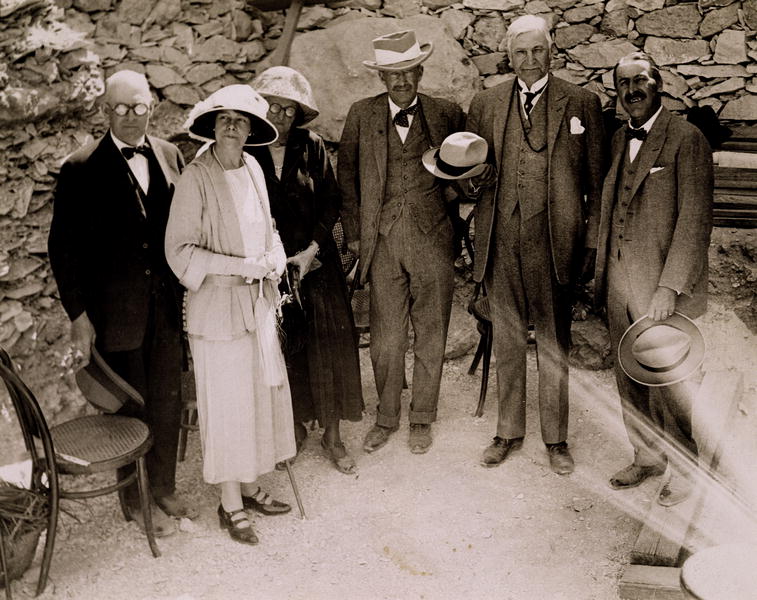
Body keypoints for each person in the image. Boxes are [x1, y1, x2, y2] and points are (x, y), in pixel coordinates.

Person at [48, 70, 193, 537]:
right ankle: (135, 499)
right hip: (116, 315)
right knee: (131, 407)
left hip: (167, 308)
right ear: (105, 111)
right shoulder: (80, 169)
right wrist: (79, 317)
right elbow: (63, 250)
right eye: (121, 108)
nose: (131, 117)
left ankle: (165, 486)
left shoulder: (171, 155)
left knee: (168, 400)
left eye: (140, 107)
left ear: (152, 107)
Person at [465, 15, 604, 474]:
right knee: (506, 337)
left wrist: (588, 242)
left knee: (552, 339)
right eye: (520, 52)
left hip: (554, 240)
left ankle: (557, 439)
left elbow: (596, 184)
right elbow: (469, 172)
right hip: (500, 236)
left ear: (551, 52)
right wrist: (474, 180)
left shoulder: (582, 102)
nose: (529, 60)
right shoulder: (486, 103)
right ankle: (507, 432)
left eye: (537, 51)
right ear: (509, 56)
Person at [164, 85, 296, 545]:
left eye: (242, 120)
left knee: (258, 398)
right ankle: (230, 503)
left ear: (253, 129)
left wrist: (276, 256)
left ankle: (253, 485)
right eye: (225, 119)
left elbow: (269, 227)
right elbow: (178, 251)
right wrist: (242, 267)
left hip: (256, 302)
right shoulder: (196, 176)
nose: (234, 127)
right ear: (213, 126)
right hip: (217, 310)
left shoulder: (255, 168)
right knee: (226, 406)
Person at [594, 52, 713, 506]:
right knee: (630, 376)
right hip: (619, 284)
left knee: (671, 383)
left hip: (663, 289)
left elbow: (695, 219)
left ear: (658, 84)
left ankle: (684, 470)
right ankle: (646, 457)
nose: (631, 91)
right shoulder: (618, 138)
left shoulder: (687, 139)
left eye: (639, 80)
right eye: (622, 84)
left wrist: (669, 287)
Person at [338, 30, 464, 455]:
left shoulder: (447, 113)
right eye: (392, 74)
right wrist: (355, 237)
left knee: (431, 331)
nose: (401, 81)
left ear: (420, 72)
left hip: (433, 239)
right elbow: (347, 180)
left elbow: (465, 171)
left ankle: (423, 418)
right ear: (382, 79)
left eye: (408, 71)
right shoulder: (361, 115)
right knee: (387, 337)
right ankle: (387, 416)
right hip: (383, 242)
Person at [250, 66, 363, 474]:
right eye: (272, 107)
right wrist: (272, 260)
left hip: (315, 261)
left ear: (299, 116)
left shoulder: (312, 146)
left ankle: (332, 435)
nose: (279, 116)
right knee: (285, 347)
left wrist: (313, 250)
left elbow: (331, 202)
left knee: (330, 342)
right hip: (269, 267)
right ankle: (293, 429)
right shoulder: (246, 151)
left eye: (289, 110)